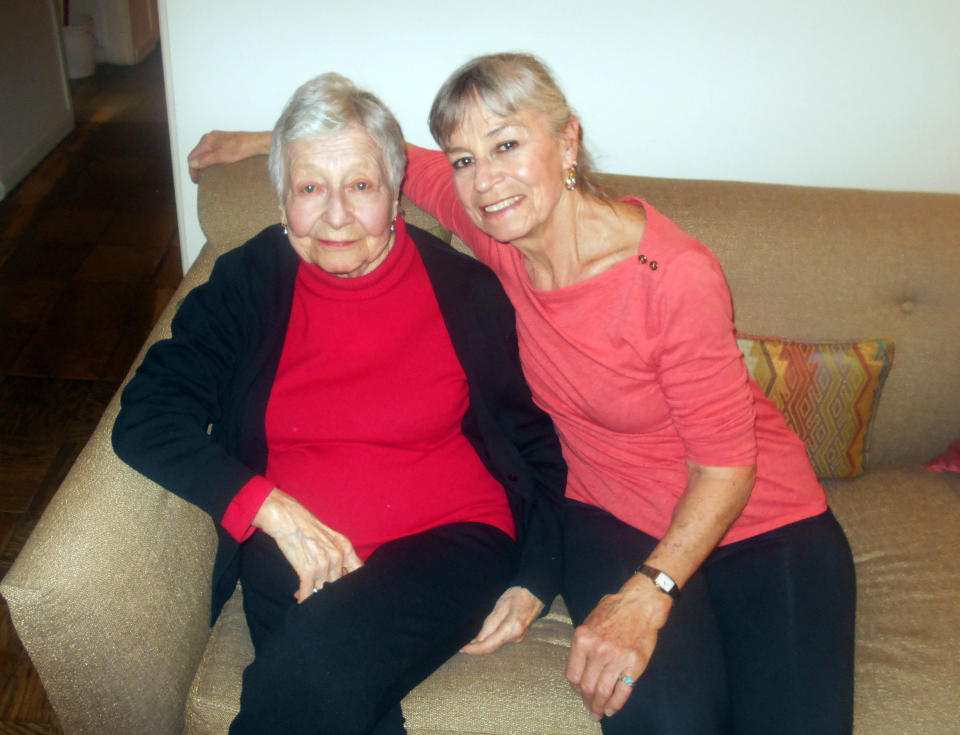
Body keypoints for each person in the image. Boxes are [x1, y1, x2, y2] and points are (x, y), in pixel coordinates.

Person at [187, 53, 856, 735]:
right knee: (665, 720)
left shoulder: (674, 275)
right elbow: (390, 166)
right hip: (609, 512)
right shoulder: (496, 227)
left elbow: (726, 467)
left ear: (567, 141)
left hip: (759, 519)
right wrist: (268, 142)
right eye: (466, 159)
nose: (485, 180)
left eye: (507, 144)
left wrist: (649, 595)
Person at [114, 71, 566, 735]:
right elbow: (147, 414)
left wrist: (538, 573)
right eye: (309, 189)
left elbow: (533, 443)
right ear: (282, 201)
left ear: (396, 195)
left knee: (307, 675)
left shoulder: (466, 292)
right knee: (325, 690)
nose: (335, 215)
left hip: (452, 539)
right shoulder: (247, 281)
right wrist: (269, 509)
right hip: (297, 546)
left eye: (359, 186)